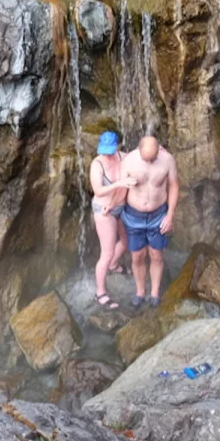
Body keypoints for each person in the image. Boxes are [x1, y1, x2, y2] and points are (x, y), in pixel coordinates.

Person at [119, 135, 179, 308]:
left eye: (153, 159)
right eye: (147, 159)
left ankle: (154, 293)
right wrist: (110, 208)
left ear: (159, 149)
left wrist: (170, 215)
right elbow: (121, 189)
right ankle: (140, 292)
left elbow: (174, 185)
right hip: (133, 216)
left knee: (156, 255)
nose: (150, 162)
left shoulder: (167, 159)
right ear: (139, 149)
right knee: (137, 256)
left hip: (158, 215)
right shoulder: (129, 161)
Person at [90, 131, 137, 310]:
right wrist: (119, 184)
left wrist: (161, 150)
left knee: (125, 241)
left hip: (120, 206)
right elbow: (99, 190)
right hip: (104, 211)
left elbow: (142, 154)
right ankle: (100, 293)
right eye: (104, 150)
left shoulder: (124, 157)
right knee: (106, 252)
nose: (107, 154)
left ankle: (114, 265)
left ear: (118, 146)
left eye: (110, 150)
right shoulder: (97, 164)